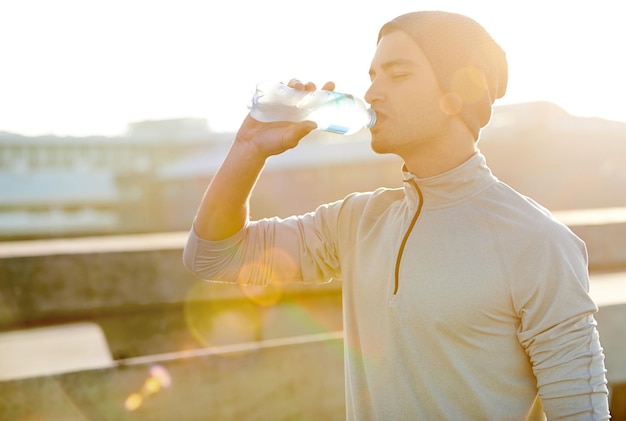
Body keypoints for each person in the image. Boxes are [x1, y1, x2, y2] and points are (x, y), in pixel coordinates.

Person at [183, 11, 610, 420]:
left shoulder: (536, 241)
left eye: (398, 73)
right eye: (372, 75)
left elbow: (582, 411)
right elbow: (214, 257)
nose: (371, 93)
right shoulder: (356, 221)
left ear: (454, 95)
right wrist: (248, 150)